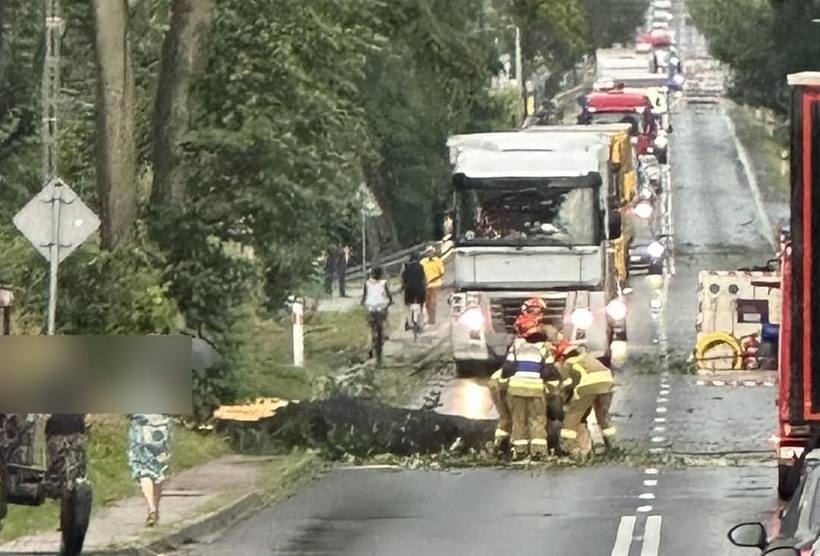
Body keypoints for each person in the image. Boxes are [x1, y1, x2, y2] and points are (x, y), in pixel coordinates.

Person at [500, 313, 557, 460]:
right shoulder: (543, 349)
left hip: (516, 389)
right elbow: (550, 371)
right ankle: (538, 452)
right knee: (537, 419)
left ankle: (519, 452)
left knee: (519, 420)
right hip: (535, 390)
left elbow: (506, 369)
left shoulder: (515, 348)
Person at [552, 340, 616, 461]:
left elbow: (567, 386)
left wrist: (566, 401)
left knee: (573, 416)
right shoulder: (586, 357)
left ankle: (569, 448)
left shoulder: (568, 363)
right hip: (607, 383)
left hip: (588, 386)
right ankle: (611, 444)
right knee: (602, 415)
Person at [127, 413, 172, 527]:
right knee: (159, 468)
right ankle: (155, 508)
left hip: (141, 426)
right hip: (162, 426)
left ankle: (151, 508)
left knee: (143, 468)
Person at [361, 267, 393, 360]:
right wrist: (390, 301)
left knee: (371, 328)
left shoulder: (367, 283)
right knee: (383, 323)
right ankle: (383, 336)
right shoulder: (384, 283)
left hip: (370, 308)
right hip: (381, 308)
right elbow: (389, 295)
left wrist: (363, 303)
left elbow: (364, 296)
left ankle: (370, 345)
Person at [400, 252, 427, 331]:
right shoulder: (421, 267)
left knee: (407, 306)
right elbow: (424, 279)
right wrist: (425, 287)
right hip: (420, 290)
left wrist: (402, 286)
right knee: (421, 306)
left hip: (409, 290)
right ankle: (420, 324)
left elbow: (402, 278)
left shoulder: (406, 267)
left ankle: (408, 322)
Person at [420, 246, 445, 326]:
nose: (430, 253)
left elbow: (441, 272)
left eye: (431, 252)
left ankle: (432, 318)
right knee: (427, 302)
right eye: (428, 252)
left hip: (435, 283)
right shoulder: (423, 262)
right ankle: (429, 317)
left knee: (433, 302)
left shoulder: (438, 261)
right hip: (426, 284)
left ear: (433, 253)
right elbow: (420, 272)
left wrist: (433, 279)